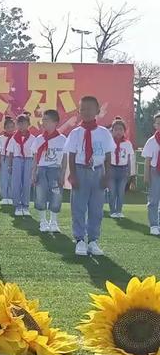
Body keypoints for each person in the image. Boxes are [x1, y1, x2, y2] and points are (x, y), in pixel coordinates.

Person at [65, 96, 115, 256]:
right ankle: (80, 240)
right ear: (79, 111)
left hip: (98, 172)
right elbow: (71, 156)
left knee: (96, 209)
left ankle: (93, 240)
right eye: (83, 109)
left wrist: (107, 176)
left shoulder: (104, 133)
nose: (86, 112)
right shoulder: (75, 133)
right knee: (78, 207)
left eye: (90, 109)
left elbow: (108, 156)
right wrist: (72, 175)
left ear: (97, 111)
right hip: (80, 171)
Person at [32, 109, 67, 233]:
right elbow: (35, 158)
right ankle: (43, 221)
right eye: (43, 120)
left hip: (55, 170)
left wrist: (62, 174)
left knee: (56, 196)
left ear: (55, 122)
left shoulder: (62, 139)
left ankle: (53, 222)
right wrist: (33, 173)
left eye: (46, 120)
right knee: (40, 195)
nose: (43, 123)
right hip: (42, 170)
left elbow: (64, 158)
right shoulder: (39, 139)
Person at [7, 112, 35, 216]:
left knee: (26, 183)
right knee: (16, 183)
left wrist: (34, 167)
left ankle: (25, 205)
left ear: (28, 124)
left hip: (28, 160)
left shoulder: (32, 138)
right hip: (17, 160)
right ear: (17, 125)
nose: (22, 126)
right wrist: (10, 165)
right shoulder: (14, 138)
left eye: (24, 123)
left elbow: (35, 153)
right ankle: (17, 205)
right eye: (19, 124)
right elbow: (10, 152)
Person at [109, 117, 135, 219]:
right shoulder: (109, 142)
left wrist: (131, 173)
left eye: (120, 129)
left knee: (120, 192)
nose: (118, 132)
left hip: (123, 170)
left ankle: (119, 211)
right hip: (111, 169)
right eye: (115, 129)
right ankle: (112, 211)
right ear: (112, 131)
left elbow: (130, 158)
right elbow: (105, 157)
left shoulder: (127, 144)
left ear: (124, 131)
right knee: (112, 192)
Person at [142, 112, 160, 236]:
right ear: (155, 125)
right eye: (159, 123)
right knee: (153, 199)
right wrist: (146, 176)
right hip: (155, 172)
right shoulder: (152, 141)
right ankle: (154, 224)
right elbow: (147, 160)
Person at [0, 116, 15, 205]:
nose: (10, 129)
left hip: (13, 159)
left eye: (12, 127)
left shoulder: (16, 137)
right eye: (8, 127)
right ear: (4, 128)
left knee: (12, 178)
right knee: (3, 178)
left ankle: (11, 196)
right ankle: (4, 196)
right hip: (4, 158)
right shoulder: (1, 137)